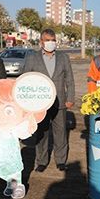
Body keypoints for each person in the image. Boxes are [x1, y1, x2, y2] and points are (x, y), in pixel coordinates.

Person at [23, 29, 75, 172]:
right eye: (47, 40)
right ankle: (42, 161)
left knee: (61, 132)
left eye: (53, 40)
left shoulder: (63, 57)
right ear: (41, 42)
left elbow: (69, 79)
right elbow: (26, 79)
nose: (50, 43)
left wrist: (70, 98)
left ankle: (60, 160)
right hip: (40, 104)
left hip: (60, 101)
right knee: (41, 133)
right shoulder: (33, 58)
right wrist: (27, 102)